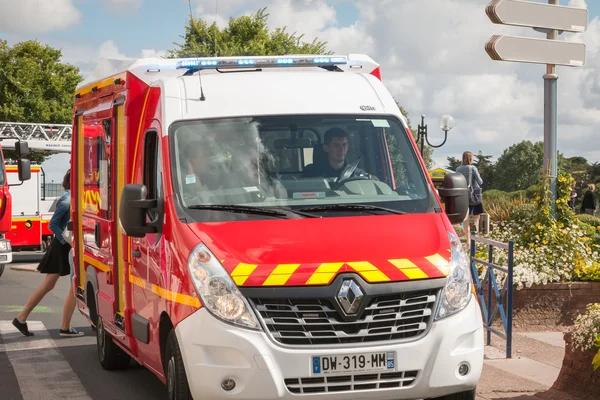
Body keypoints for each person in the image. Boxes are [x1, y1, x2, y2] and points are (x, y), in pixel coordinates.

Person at [12, 170, 84, 337]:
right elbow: (53, 225)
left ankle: (21, 319)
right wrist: (67, 240)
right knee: (72, 286)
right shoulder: (67, 200)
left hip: (62, 246)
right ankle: (64, 327)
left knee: (51, 285)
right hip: (61, 248)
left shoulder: (71, 198)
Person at [303, 127, 368, 179]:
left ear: (348, 147)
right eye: (336, 145)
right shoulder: (312, 174)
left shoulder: (358, 175)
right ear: (326, 148)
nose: (342, 149)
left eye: (344, 144)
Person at [456, 151, 484, 242]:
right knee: (477, 215)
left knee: (466, 218)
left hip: (463, 195)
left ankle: (468, 241)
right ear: (471, 159)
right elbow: (480, 182)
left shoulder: (458, 169)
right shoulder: (473, 168)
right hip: (474, 193)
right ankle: (475, 228)